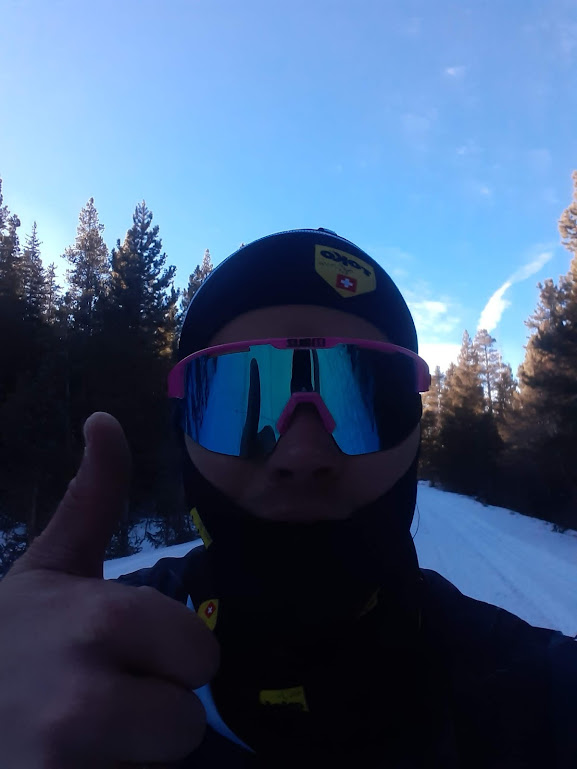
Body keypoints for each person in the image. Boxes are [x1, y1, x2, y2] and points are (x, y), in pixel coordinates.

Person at [0, 229, 575, 769]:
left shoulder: (542, 692)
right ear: (183, 432)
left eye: (363, 400)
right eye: (239, 401)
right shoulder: (64, 660)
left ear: (417, 431)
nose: (301, 454)